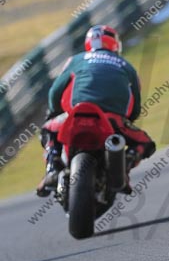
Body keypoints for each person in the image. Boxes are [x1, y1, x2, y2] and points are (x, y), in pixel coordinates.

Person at [36, 25, 155, 197]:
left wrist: (54, 112)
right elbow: (135, 105)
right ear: (115, 44)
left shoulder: (76, 60)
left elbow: (55, 91)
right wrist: (128, 120)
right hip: (111, 119)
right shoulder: (127, 67)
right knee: (145, 143)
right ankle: (124, 168)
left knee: (47, 129)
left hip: (74, 115)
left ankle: (52, 169)